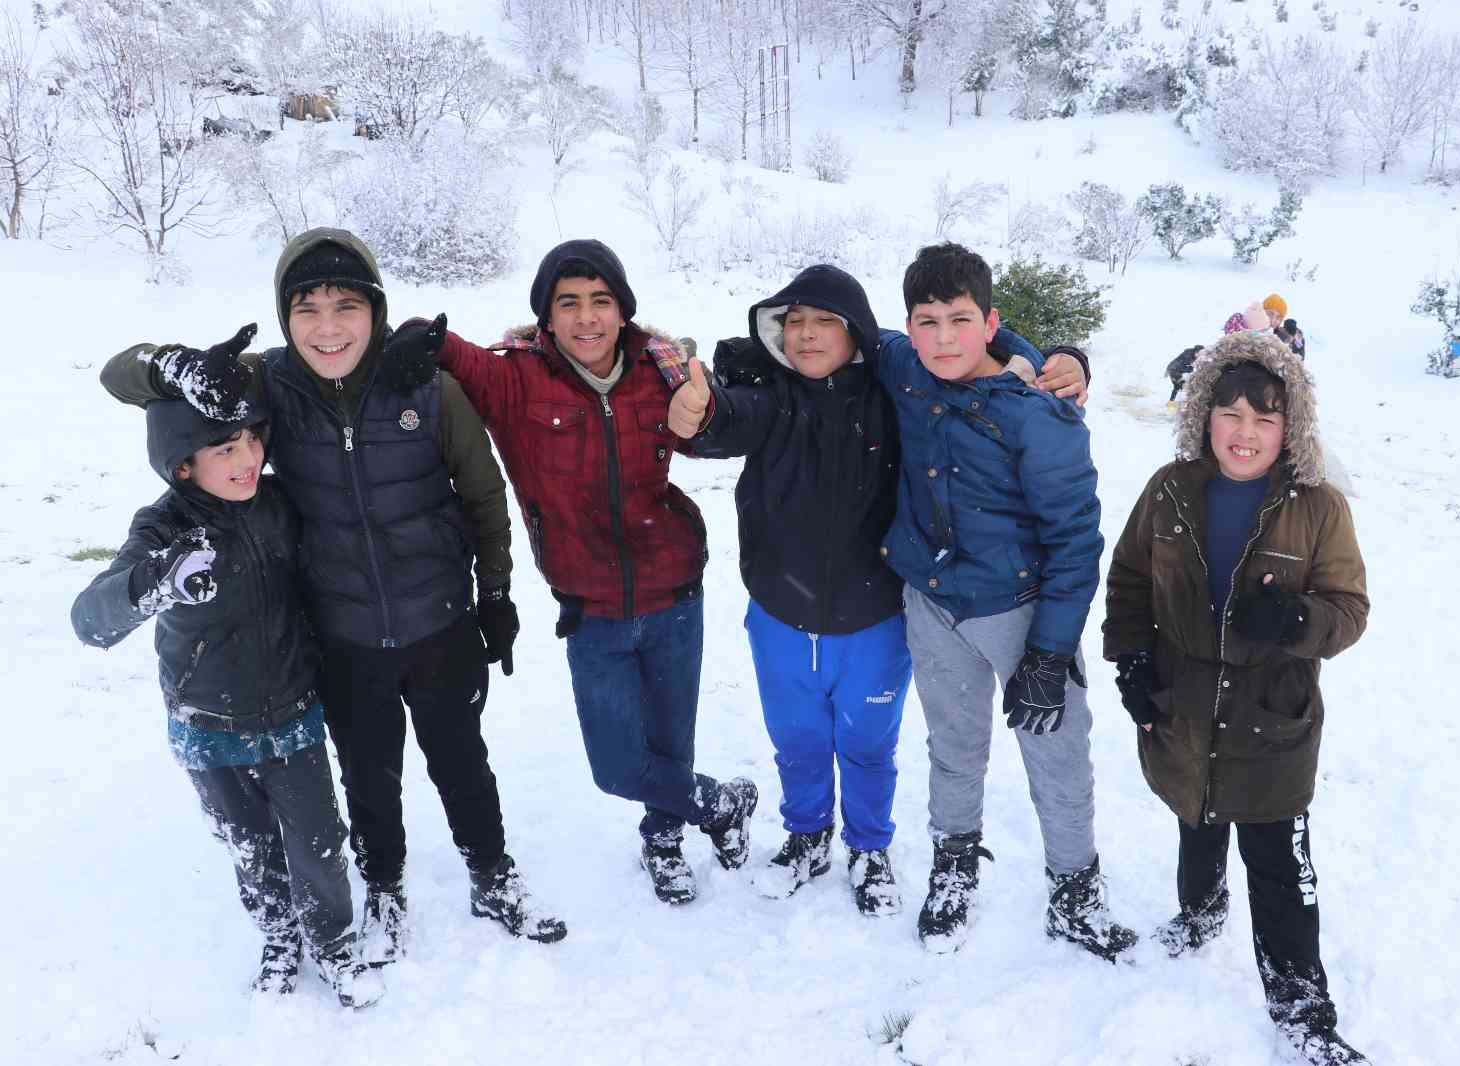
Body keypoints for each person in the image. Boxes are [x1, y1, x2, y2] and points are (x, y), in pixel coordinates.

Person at [97, 228, 565, 956]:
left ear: (375, 309)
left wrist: (495, 592)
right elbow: (118, 376)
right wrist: (176, 367)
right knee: (368, 774)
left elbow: (483, 495)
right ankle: (383, 883)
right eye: (306, 308)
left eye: (346, 305)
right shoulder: (267, 388)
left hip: (439, 622)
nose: (328, 327)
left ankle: (491, 872)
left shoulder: (428, 386)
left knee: (461, 760)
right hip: (341, 636)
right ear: (285, 318)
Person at [391, 239, 759, 906]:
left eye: (601, 302)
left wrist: (706, 411)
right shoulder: (516, 381)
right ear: (546, 319)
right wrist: (419, 336)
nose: (587, 319)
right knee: (617, 766)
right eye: (569, 305)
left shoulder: (662, 369)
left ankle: (664, 837)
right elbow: (451, 350)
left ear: (622, 312)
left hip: (675, 590)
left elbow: (714, 427)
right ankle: (721, 804)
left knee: (672, 742)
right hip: (590, 606)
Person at [1103, 331, 1370, 1065]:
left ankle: (1305, 1018)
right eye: (1230, 414)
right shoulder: (1168, 489)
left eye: (1265, 418)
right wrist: (1130, 660)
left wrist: (1294, 620)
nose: (1245, 433)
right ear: (1203, 416)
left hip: (1270, 718)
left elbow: (1349, 610)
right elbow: (1127, 578)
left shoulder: (1317, 508)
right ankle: (1200, 912)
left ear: (1290, 428)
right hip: (1182, 702)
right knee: (1195, 812)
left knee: (1280, 870)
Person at [70, 382, 382, 1008]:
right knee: (252, 845)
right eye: (223, 447)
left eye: (250, 440)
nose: (246, 458)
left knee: (317, 841)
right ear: (182, 463)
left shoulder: (277, 503)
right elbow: (91, 620)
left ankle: (334, 942)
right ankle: (278, 936)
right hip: (208, 726)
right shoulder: (162, 528)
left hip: (291, 712)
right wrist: (159, 579)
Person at [873, 242, 1136, 958]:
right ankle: (954, 867)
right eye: (927, 321)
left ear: (989, 322)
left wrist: (1050, 652)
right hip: (932, 601)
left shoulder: (1038, 417)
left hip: (1020, 611)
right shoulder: (904, 366)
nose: (944, 338)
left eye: (961, 320)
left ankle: (1075, 889)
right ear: (909, 324)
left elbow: (1077, 543)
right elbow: (827, 325)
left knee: (1057, 757)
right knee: (954, 747)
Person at [665, 265, 911, 914]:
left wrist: (1050, 357)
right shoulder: (774, 396)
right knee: (798, 741)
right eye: (791, 324)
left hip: (877, 619)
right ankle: (808, 837)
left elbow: (971, 349)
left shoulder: (895, 397)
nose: (803, 336)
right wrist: (699, 412)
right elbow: (728, 416)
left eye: (821, 322)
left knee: (866, 745)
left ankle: (869, 847)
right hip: (780, 615)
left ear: (855, 330)